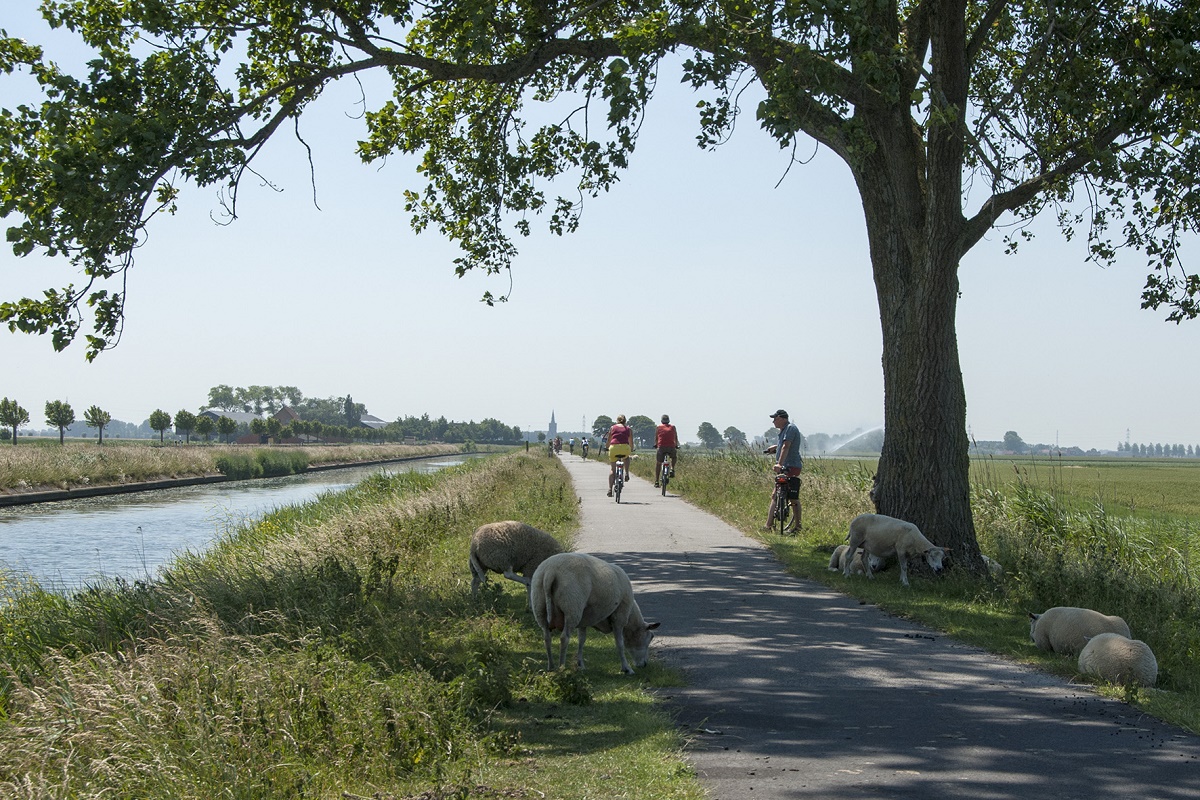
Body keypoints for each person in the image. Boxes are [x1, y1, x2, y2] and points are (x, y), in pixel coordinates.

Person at [763, 408, 803, 533]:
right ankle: (768, 525)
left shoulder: (791, 428)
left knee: (792, 497)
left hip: (791, 466)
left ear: (782, 418)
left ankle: (797, 527)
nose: (773, 422)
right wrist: (775, 448)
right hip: (784, 467)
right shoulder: (783, 431)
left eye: (775, 419)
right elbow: (783, 445)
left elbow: (787, 446)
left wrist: (779, 463)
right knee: (775, 495)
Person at [606, 414, 633, 497]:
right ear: (625, 421)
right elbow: (631, 441)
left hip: (614, 448)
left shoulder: (612, 428)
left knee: (612, 470)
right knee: (626, 457)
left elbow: (609, 440)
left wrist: (607, 447)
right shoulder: (628, 429)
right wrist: (631, 449)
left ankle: (610, 489)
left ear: (617, 420)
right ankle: (626, 473)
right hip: (625, 448)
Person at [653, 414, 679, 488]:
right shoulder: (673, 427)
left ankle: (657, 481)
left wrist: (655, 444)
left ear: (662, 421)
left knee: (658, 463)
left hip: (661, 447)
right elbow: (675, 437)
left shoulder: (658, 427)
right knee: (674, 457)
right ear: (668, 420)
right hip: (671, 447)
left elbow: (656, 438)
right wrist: (676, 445)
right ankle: (672, 469)